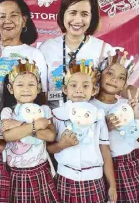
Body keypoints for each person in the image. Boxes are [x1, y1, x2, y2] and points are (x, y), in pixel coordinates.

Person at [39, 0, 139, 109]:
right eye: (73, 12)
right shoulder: (46, 48)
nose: (78, 20)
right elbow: (37, 90)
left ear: (92, 17)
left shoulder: (104, 50)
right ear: (63, 14)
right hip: (55, 120)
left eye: (84, 14)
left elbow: (123, 88)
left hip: (92, 121)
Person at [89, 51, 139, 202]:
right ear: (99, 75)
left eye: (121, 78)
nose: (115, 80)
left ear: (124, 85)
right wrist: (104, 127)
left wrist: (135, 116)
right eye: (110, 73)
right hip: (112, 166)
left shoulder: (125, 104)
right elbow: (87, 140)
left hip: (138, 161)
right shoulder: (90, 107)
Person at [48, 58, 117, 203]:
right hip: (65, 178)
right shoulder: (57, 115)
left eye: (85, 86)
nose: (79, 89)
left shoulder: (98, 116)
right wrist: (62, 145)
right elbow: (49, 148)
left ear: (94, 90)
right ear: (65, 89)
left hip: (93, 179)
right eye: (73, 85)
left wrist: (112, 185)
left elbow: (105, 151)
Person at [0, 60, 59, 202]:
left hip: (40, 170)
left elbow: (50, 136)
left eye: (31, 84)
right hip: (15, 173)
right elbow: (9, 136)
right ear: (10, 88)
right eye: (20, 84)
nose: (26, 88)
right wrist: (36, 125)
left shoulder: (44, 110)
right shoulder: (8, 112)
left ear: (38, 88)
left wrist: (20, 124)